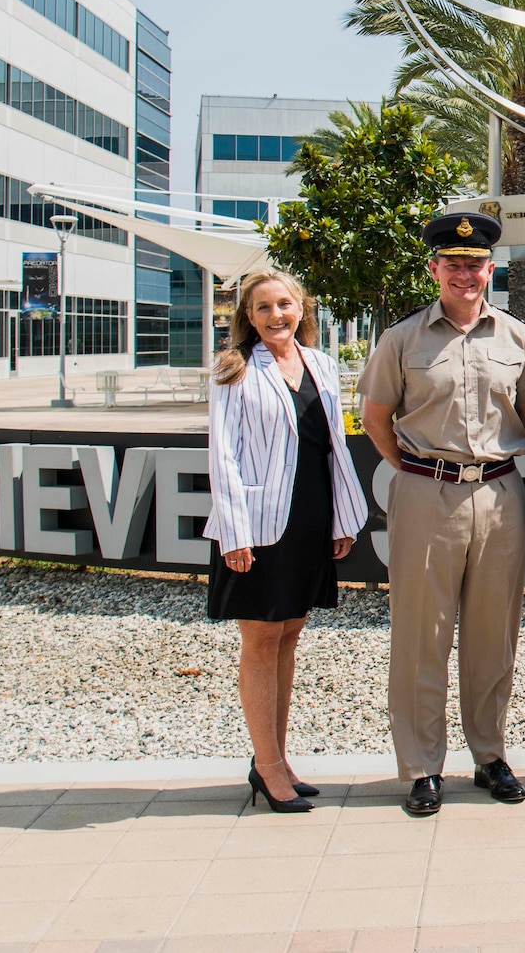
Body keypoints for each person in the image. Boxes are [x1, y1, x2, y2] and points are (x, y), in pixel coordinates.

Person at [360, 211, 525, 816]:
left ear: (491, 269)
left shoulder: (518, 339)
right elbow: (376, 419)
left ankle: (489, 755)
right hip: (425, 494)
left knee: (495, 633)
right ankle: (422, 766)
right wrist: (419, 470)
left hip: (498, 492)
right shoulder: (403, 339)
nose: (465, 274)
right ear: (434, 268)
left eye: (476, 265)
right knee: (421, 633)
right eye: (453, 264)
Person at [203, 270, 368, 813]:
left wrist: (342, 518)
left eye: (284, 305)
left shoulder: (321, 365)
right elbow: (222, 454)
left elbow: (333, 449)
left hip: (310, 518)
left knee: (291, 633)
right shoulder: (234, 370)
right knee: (262, 639)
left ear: (302, 308)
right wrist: (234, 531)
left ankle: (275, 756)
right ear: (247, 318)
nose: (276, 316)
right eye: (263, 308)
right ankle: (267, 766)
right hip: (257, 522)